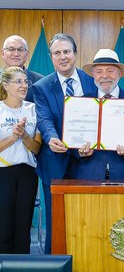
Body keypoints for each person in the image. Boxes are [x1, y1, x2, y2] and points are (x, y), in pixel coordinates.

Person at [32, 33, 97, 254]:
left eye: (66, 51)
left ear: (75, 54)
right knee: (56, 221)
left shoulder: (92, 81)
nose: (63, 57)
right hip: (54, 160)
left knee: (87, 218)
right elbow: (44, 119)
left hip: (89, 161)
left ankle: (87, 264)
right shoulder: (41, 86)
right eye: (57, 53)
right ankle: (56, 268)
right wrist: (51, 138)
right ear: (51, 57)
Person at [70, 48, 124, 179]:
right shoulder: (83, 102)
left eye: (110, 71)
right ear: (93, 75)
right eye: (99, 71)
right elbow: (72, 141)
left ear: (119, 73)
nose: (104, 76)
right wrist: (79, 152)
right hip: (90, 176)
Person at [0, 66, 41, 253]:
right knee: (4, 227)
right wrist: (12, 137)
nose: (24, 86)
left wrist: (24, 135)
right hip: (3, 174)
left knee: (23, 227)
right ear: (6, 85)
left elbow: (37, 148)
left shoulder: (33, 110)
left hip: (27, 174)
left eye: (26, 82)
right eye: (19, 82)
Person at [1, 35, 43, 102]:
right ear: (3, 53)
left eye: (20, 50)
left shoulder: (40, 81)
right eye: (11, 49)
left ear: (27, 54)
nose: (16, 54)